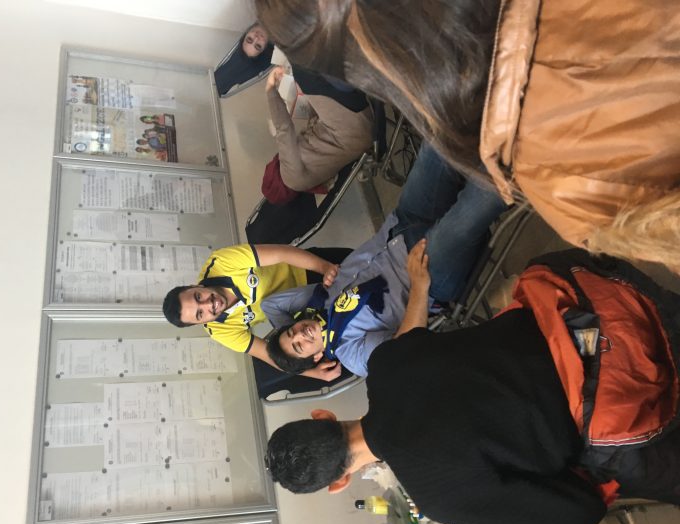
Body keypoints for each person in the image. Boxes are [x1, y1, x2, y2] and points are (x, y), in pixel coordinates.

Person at [266, 249, 680, 524]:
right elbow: (410, 334)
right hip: (593, 305)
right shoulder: (386, 366)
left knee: (632, 470)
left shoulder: (440, 498)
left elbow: (582, 513)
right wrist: (419, 285)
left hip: (619, 395)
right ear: (322, 416)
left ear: (339, 482)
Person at [254, 0, 680, 273]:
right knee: (438, 202)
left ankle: (488, 169)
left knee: (445, 168)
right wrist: (274, 95)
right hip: (401, 197)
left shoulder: (566, 194)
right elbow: (293, 131)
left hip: (466, 140)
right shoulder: (294, 176)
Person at [262, 143, 507, 377]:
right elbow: (404, 347)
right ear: (316, 357)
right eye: (299, 346)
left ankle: (497, 124)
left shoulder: (316, 301)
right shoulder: (350, 353)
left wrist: (288, 342)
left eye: (291, 332)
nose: (300, 334)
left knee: (437, 141)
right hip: (427, 272)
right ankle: (516, 145)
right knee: (481, 195)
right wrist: (420, 287)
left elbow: (270, 305)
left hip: (401, 226)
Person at [162, 244, 347, 381]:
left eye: (198, 297)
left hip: (305, 271)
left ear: (195, 286)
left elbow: (283, 253)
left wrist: (325, 269)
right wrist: (312, 373)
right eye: (200, 314)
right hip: (302, 317)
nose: (208, 304)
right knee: (306, 349)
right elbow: (270, 354)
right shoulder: (219, 331)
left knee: (356, 267)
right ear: (201, 323)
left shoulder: (220, 263)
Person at [265, 64, 372, 194]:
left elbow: (317, 129)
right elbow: (284, 128)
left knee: (307, 80)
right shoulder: (289, 178)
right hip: (352, 126)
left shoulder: (306, 182)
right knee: (303, 72)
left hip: (359, 135)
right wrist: (270, 89)